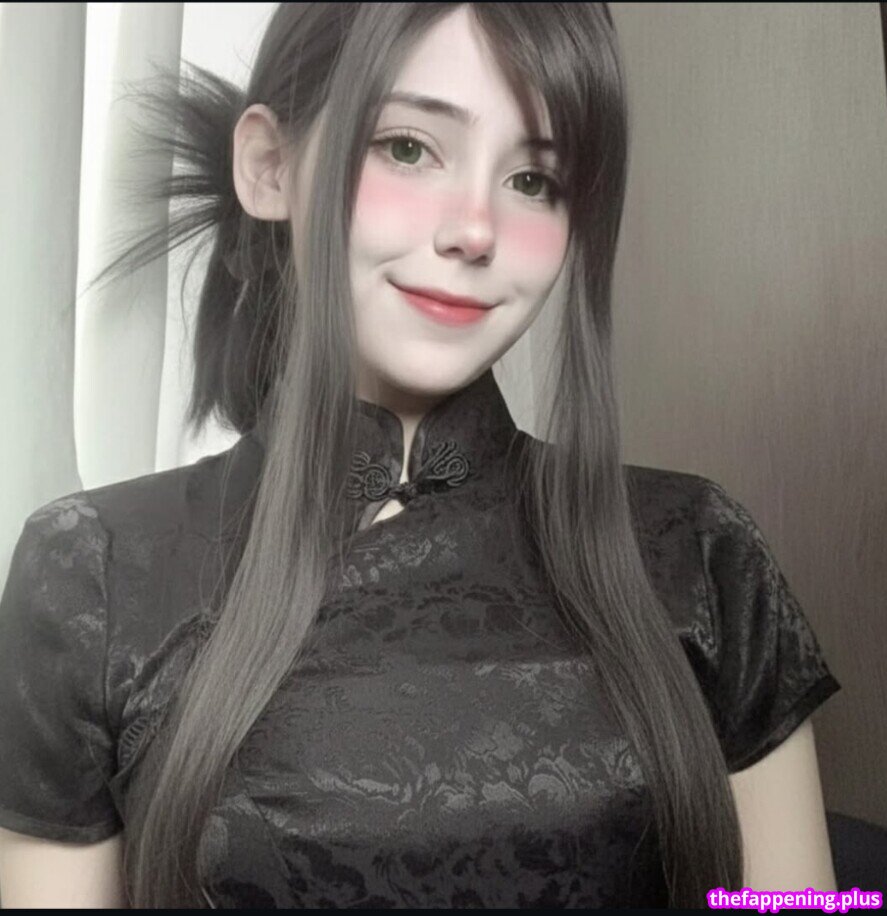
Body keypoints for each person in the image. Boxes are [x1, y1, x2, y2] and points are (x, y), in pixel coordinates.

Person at [0, 3, 841, 908]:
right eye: (407, 148)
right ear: (269, 166)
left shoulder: (696, 551)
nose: (475, 229)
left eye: (533, 180)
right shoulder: (95, 570)